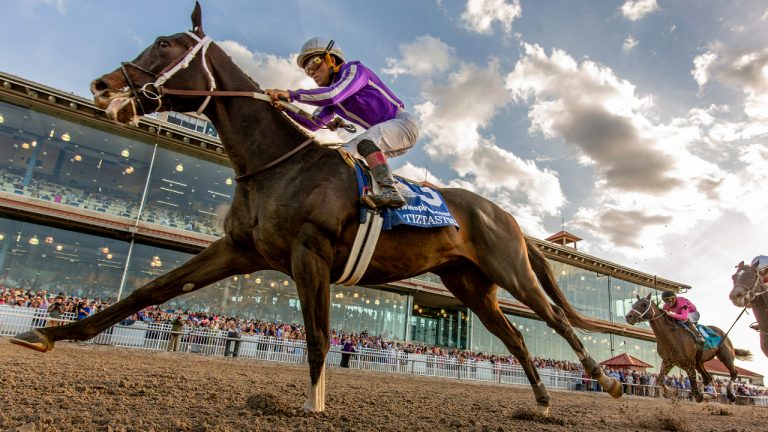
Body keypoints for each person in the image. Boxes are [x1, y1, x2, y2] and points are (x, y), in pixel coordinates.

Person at [265, 37, 419, 208]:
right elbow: (314, 124)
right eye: (308, 71)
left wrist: (291, 94)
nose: (312, 73)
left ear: (332, 59)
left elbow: (332, 94)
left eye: (315, 64)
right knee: (341, 157)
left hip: (403, 124)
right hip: (385, 136)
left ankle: (391, 191)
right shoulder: (333, 99)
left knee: (355, 147)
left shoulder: (354, 70)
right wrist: (285, 108)